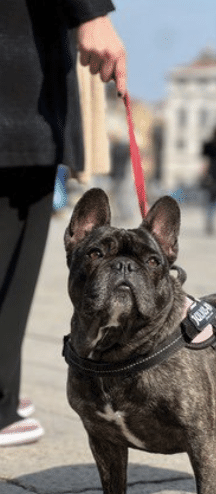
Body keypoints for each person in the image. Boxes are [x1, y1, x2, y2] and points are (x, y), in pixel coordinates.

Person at [0, 1, 126, 446]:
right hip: (14, 76)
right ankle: (0, 406)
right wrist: (90, 11)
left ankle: (7, 390)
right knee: (12, 244)